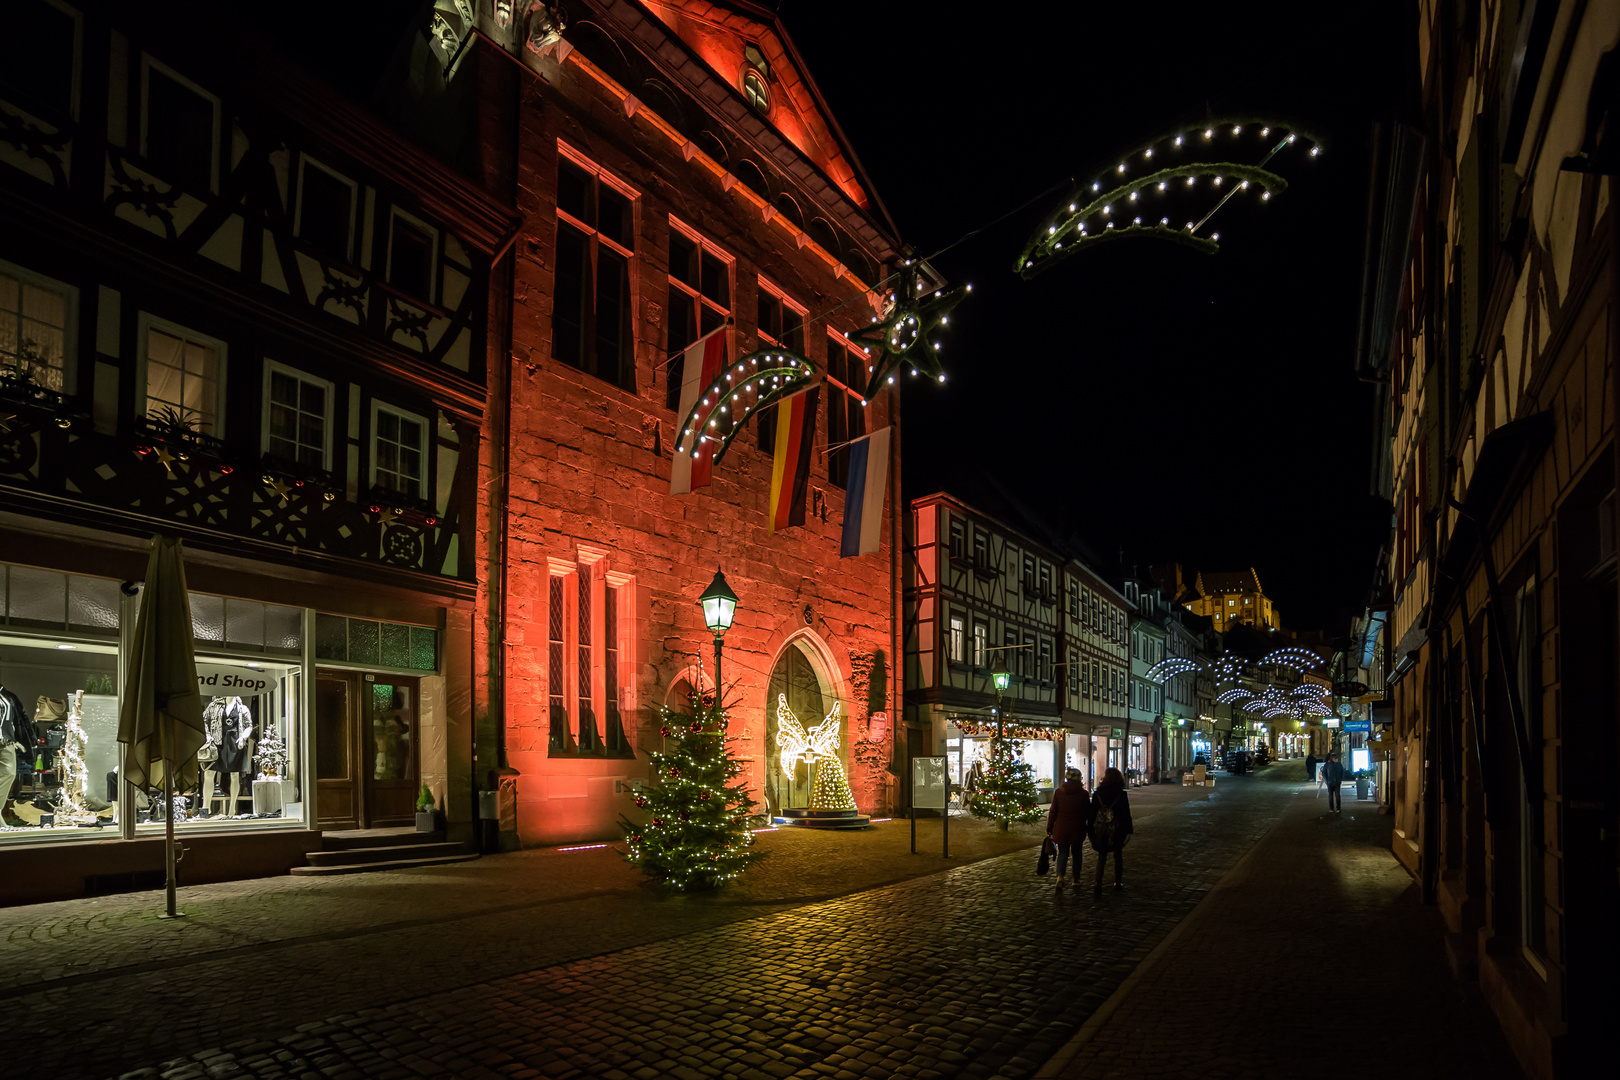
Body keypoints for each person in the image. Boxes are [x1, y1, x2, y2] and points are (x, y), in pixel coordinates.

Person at [1089, 767, 1134, 896]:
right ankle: (1117, 881)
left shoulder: (1098, 793)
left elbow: (1092, 813)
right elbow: (1126, 814)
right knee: (1118, 855)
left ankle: (1098, 882)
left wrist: (1090, 828)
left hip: (1101, 829)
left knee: (1102, 855)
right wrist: (1129, 830)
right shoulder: (1121, 794)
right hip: (1117, 829)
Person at [1046, 768, 1091, 891]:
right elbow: (1088, 813)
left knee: (1063, 853)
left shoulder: (1059, 793)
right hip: (1077, 828)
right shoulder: (1083, 794)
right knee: (1077, 854)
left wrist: (1049, 827)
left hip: (1062, 828)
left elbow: (1053, 812)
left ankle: (1060, 877)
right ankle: (1076, 879)